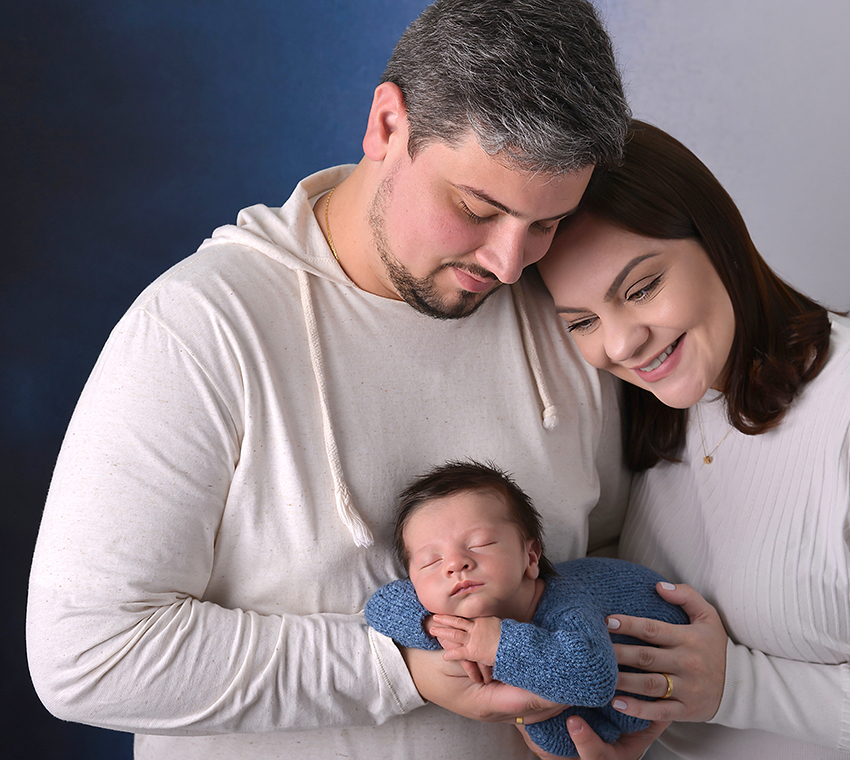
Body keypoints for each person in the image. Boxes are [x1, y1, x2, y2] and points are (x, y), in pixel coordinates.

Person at [25, 3, 639, 759]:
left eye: (544, 224)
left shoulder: (568, 316)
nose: (509, 264)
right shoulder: (200, 328)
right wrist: (399, 669)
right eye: (477, 208)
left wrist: (639, 707)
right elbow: (86, 654)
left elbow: (606, 560)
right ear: (387, 125)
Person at [535, 120, 850, 759]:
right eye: (582, 322)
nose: (620, 343)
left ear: (719, 239)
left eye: (642, 288)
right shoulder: (653, 411)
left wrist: (736, 686)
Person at [364, 460, 689, 757]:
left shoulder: (566, 606)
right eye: (431, 561)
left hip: (660, 658)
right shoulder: (438, 610)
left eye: (480, 544)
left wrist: (499, 644)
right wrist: (432, 626)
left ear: (530, 557)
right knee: (552, 732)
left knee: (562, 726)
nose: (455, 564)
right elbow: (378, 606)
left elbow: (596, 678)